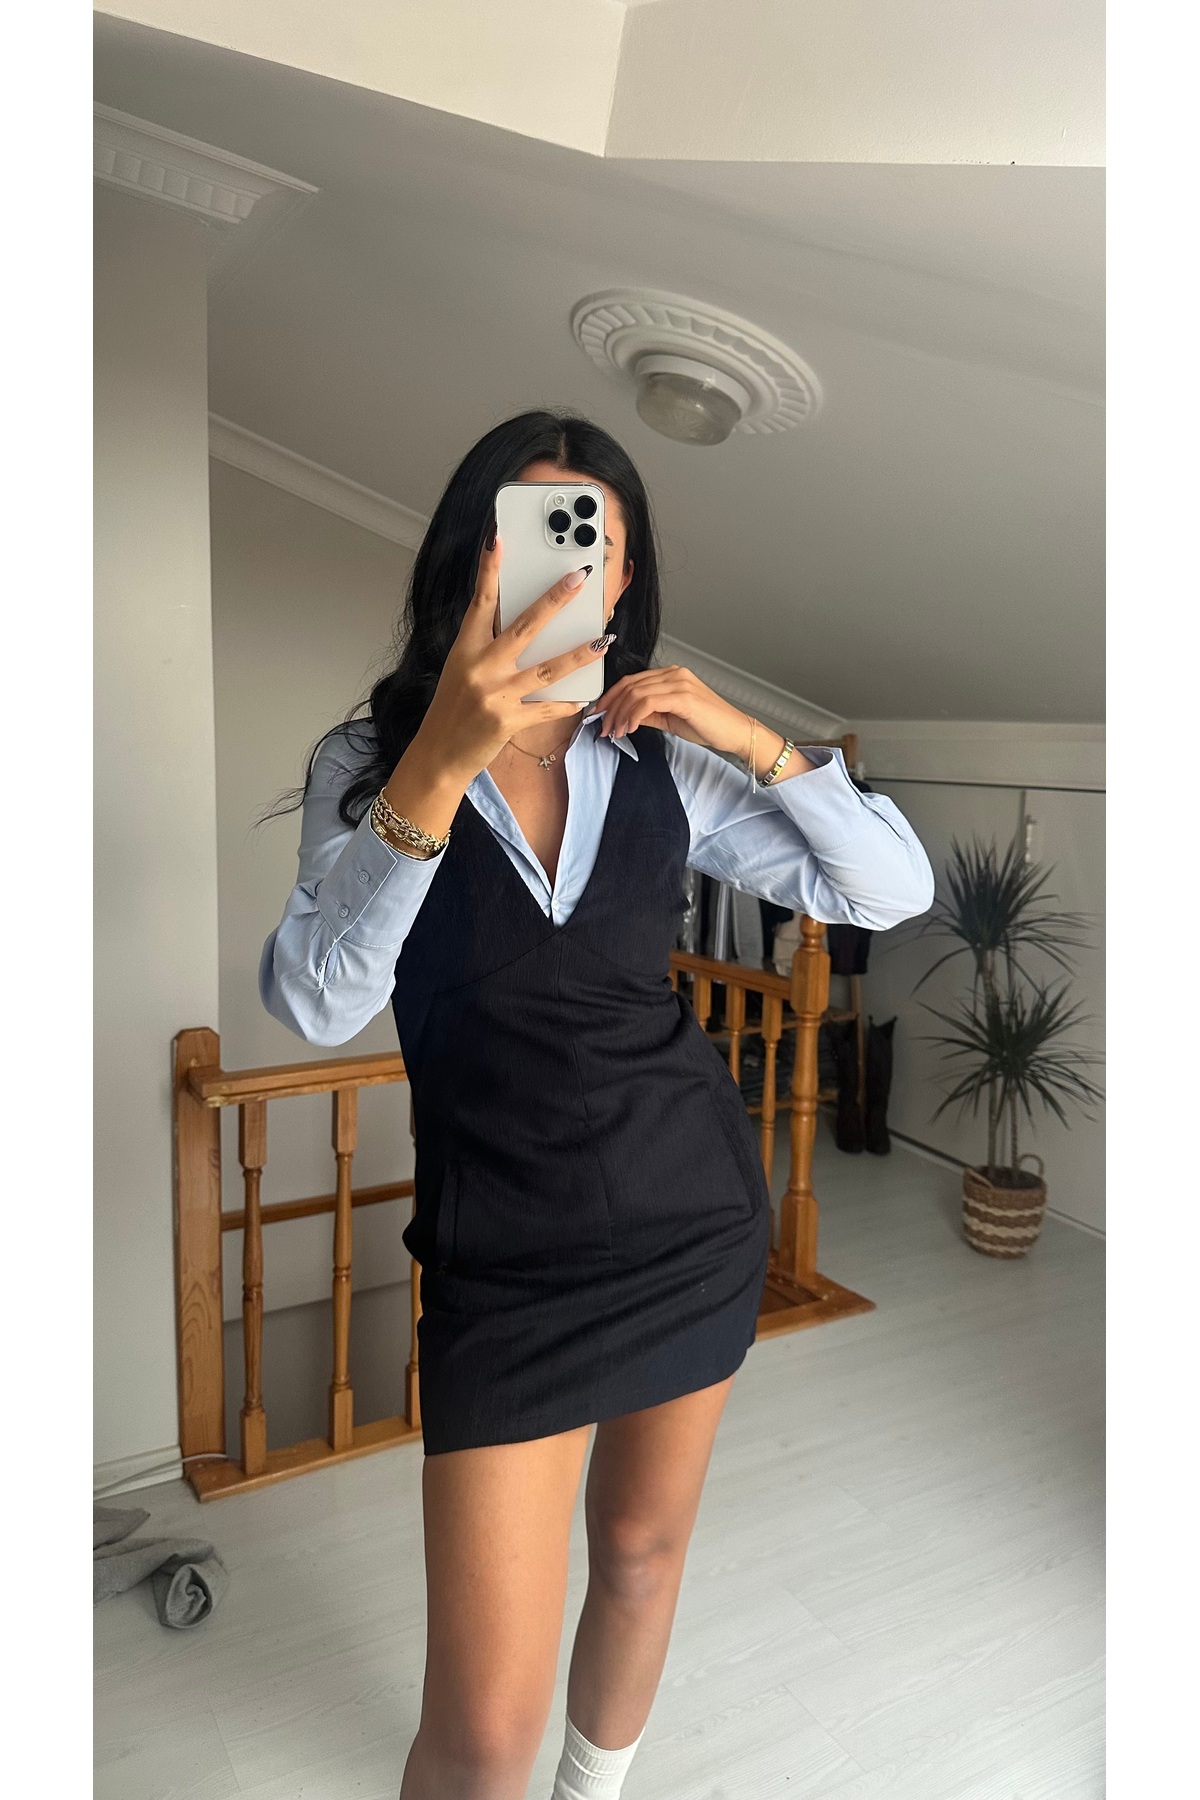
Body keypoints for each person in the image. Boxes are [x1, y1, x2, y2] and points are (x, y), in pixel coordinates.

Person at [260, 411, 934, 1800]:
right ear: (478, 554)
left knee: (639, 1556)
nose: (569, 567)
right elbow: (316, 1004)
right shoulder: (373, 757)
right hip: (503, 1260)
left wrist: (745, 733)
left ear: (625, 578)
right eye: (536, 531)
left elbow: (889, 892)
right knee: (479, 1735)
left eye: (598, 544)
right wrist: (443, 759)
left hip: (690, 1217)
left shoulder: (662, 756)